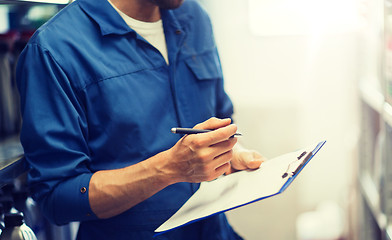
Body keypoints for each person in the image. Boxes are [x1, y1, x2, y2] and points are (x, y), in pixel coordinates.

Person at [16, 0, 265, 239]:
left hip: (214, 232)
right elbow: (58, 197)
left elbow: (220, 113)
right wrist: (169, 168)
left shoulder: (194, 17)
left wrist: (230, 153)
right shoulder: (54, 48)